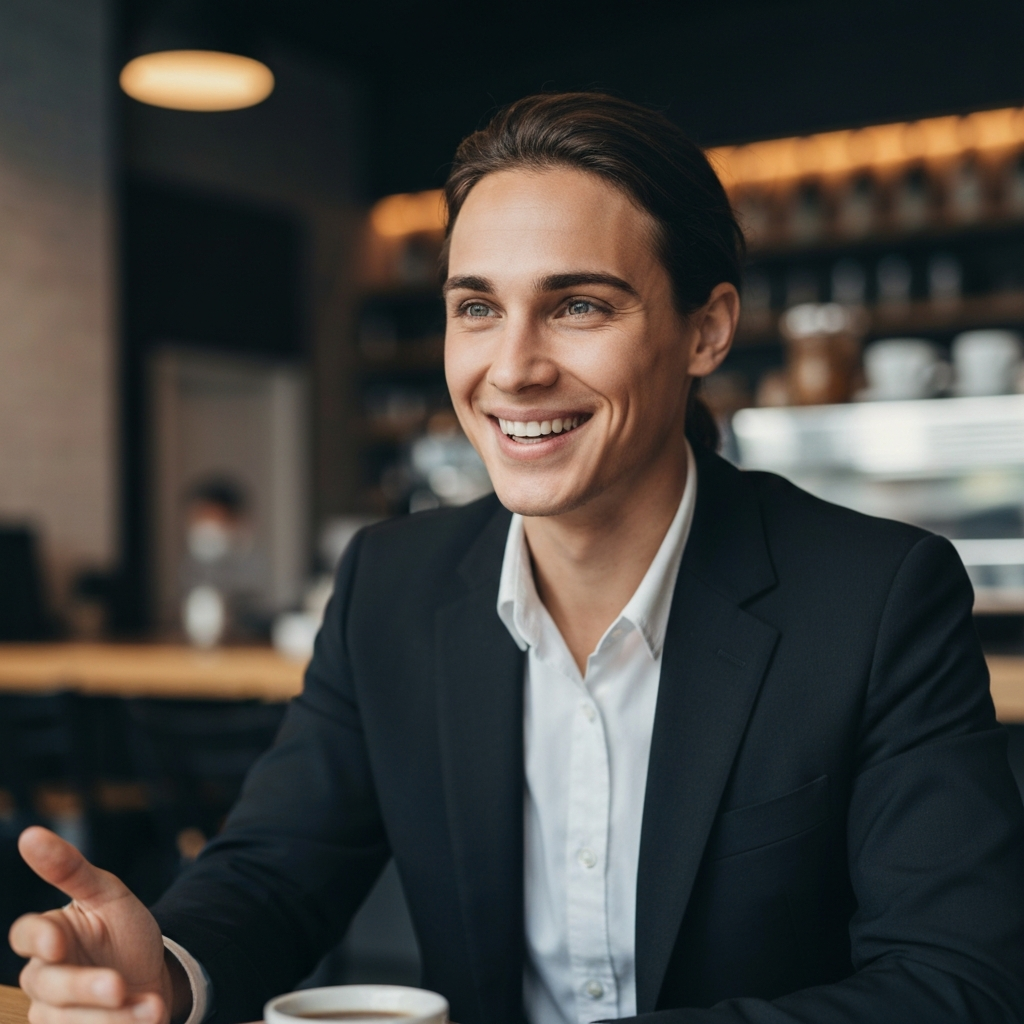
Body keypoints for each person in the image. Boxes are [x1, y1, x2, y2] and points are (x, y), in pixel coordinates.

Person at [10, 93, 1024, 1024]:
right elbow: (277, 868)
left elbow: (954, 979)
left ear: (706, 329)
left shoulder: (876, 596)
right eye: (477, 306)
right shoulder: (391, 585)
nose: (513, 367)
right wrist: (170, 972)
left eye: (578, 304)